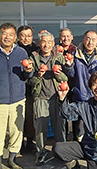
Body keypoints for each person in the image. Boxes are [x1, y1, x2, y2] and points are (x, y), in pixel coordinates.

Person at [0, 23, 33, 169]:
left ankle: (12, 159)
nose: (8, 37)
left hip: (18, 100)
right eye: (4, 34)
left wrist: (28, 70)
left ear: (15, 37)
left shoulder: (21, 53)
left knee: (16, 132)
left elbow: (26, 76)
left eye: (11, 34)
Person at [27, 30, 68, 166]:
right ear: (39, 43)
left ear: (53, 44)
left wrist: (58, 74)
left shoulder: (59, 57)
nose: (46, 45)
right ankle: (41, 153)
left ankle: (61, 152)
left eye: (49, 42)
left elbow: (66, 78)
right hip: (41, 97)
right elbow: (29, 80)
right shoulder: (33, 57)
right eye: (43, 41)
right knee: (40, 128)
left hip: (57, 97)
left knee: (59, 126)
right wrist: (38, 75)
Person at [65, 30, 97, 142]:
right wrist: (69, 66)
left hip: (95, 98)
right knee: (79, 128)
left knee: (94, 127)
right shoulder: (75, 56)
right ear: (83, 39)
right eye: (88, 39)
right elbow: (71, 75)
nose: (90, 42)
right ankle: (78, 150)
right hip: (80, 97)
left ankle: (91, 149)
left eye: (93, 39)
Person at [17, 25, 39, 153]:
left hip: (31, 89)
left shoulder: (36, 49)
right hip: (17, 88)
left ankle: (30, 141)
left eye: (29, 35)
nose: (26, 38)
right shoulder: (14, 50)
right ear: (18, 37)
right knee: (18, 118)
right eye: (23, 35)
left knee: (30, 117)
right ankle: (18, 143)